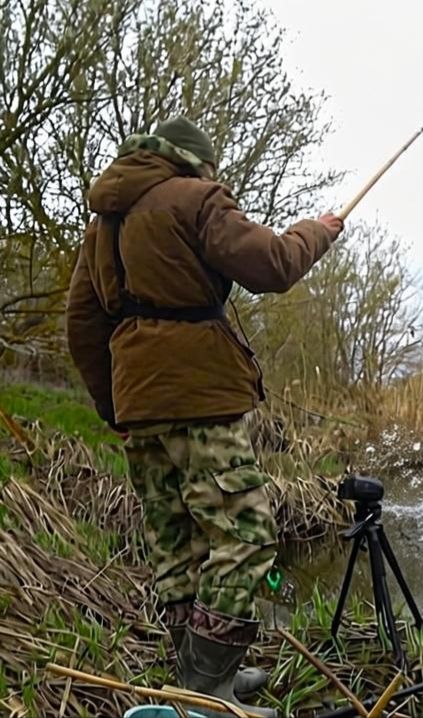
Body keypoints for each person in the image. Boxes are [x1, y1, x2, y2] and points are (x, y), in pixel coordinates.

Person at [65, 117, 344, 718]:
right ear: (197, 162)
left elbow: (82, 325)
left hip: (139, 405)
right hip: (199, 396)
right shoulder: (196, 197)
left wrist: (114, 407)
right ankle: (207, 692)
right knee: (245, 534)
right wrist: (317, 232)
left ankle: (204, 675)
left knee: (177, 540)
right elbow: (272, 265)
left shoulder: (103, 223)